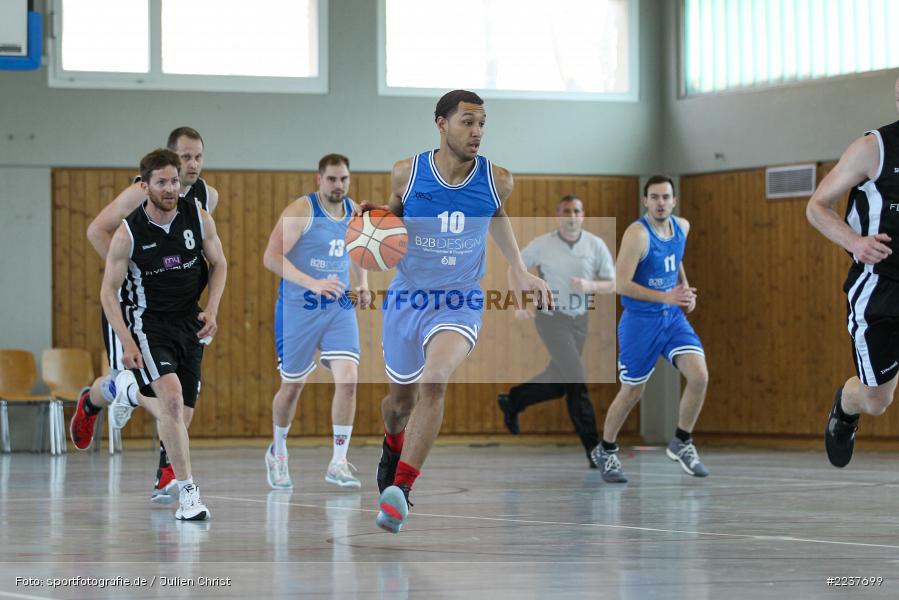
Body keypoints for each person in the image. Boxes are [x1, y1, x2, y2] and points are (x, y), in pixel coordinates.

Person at [373, 90, 553, 534]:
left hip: (459, 299)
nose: (477, 132)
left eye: (482, 123)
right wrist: (372, 225)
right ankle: (392, 444)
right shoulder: (406, 173)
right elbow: (390, 219)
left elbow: (496, 213)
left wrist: (519, 268)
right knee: (399, 403)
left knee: (434, 380)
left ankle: (402, 489)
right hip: (408, 297)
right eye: (467, 122)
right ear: (441, 123)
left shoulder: (498, 179)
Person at [69, 148, 227, 520]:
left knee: (179, 416)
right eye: (162, 182)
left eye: (174, 181)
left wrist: (213, 308)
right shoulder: (127, 234)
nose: (171, 188)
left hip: (189, 322)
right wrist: (126, 340)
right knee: (170, 402)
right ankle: (188, 496)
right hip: (148, 323)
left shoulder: (199, 216)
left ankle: (126, 391)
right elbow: (108, 292)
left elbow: (219, 263)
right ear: (145, 186)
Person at [262, 154, 371, 490]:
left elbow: (358, 249)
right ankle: (277, 452)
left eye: (344, 179)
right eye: (332, 179)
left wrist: (363, 283)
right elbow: (271, 257)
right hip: (299, 306)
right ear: (318, 180)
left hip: (338, 305)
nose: (339, 186)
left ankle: (338, 462)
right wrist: (313, 283)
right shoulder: (301, 210)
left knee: (349, 380)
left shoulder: (354, 211)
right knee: (293, 387)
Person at [806, 76, 899, 468]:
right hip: (880, 286)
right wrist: (856, 243)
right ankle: (847, 405)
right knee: (878, 400)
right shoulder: (873, 148)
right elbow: (817, 206)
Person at [592, 175, 710, 483]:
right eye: (654, 197)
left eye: (665, 197)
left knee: (699, 375)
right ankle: (606, 449)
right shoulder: (637, 235)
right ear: (646, 201)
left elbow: (676, 258)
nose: (660, 203)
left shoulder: (682, 227)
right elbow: (621, 285)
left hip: (671, 318)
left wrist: (684, 289)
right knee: (633, 391)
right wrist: (666, 295)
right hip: (640, 321)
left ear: (674, 200)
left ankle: (682, 442)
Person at [495, 194, 615, 467]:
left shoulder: (595, 245)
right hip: (551, 318)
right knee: (576, 381)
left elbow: (611, 282)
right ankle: (595, 450)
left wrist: (591, 286)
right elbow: (514, 268)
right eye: (566, 211)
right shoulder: (542, 245)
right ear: (558, 216)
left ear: (582, 216)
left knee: (561, 380)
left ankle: (513, 400)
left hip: (579, 320)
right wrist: (519, 303)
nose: (572, 216)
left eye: (577, 211)